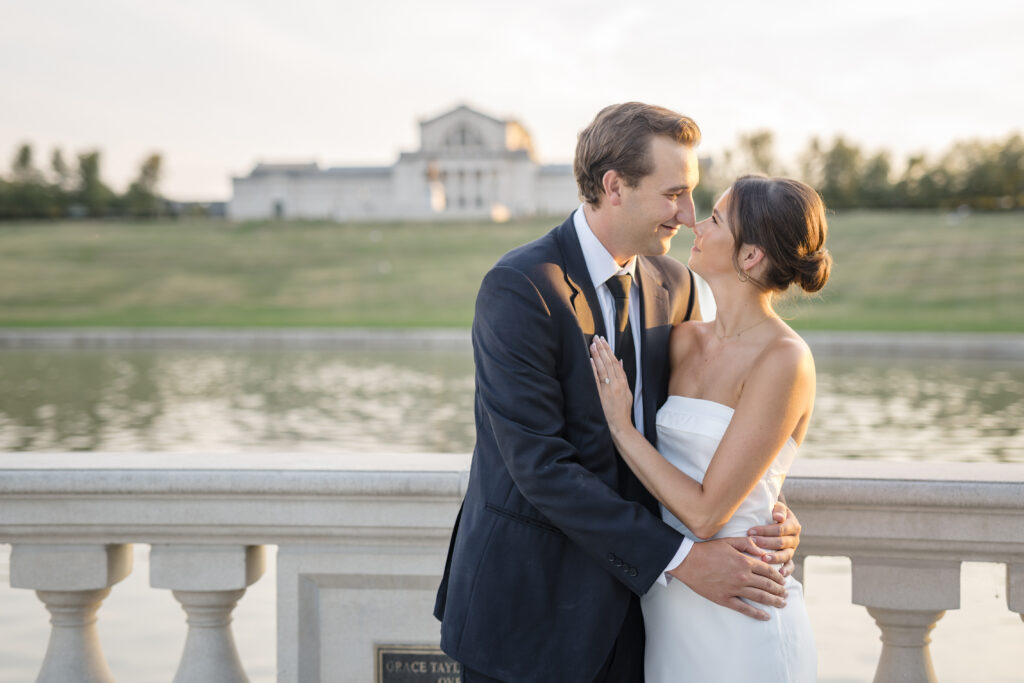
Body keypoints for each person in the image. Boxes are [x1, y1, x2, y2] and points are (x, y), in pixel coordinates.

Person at [433, 103, 803, 683]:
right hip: (529, 615)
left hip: (641, 622)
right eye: (673, 193)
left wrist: (763, 508)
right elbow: (540, 467)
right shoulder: (520, 288)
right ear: (614, 187)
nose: (687, 214)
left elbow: (691, 430)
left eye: (693, 195)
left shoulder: (675, 284)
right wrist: (683, 560)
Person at [590, 174, 831, 681]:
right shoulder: (680, 339)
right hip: (670, 604)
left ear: (750, 257)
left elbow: (704, 513)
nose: (695, 223)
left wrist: (623, 428)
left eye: (716, 219)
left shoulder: (784, 359)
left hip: (745, 604)